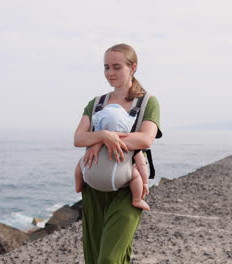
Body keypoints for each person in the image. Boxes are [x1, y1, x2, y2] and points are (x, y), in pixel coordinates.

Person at [74, 43, 162, 264]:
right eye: (106, 67)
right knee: (94, 258)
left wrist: (104, 138)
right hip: (94, 189)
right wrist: (104, 135)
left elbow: (145, 138)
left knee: (109, 259)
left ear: (133, 67)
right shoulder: (96, 104)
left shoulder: (147, 102)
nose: (110, 73)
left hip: (127, 189)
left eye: (116, 67)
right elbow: (78, 139)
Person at [74, 103, 151, 211]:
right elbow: (142, 165)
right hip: (116, 180)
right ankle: (137, 199)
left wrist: (98, 141)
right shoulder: (131, 145)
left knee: (80, 163)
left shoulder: (94, 142)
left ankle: (78, 186)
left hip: (90, 179)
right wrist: (145, 183)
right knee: (135, 174)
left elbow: (78, 141)